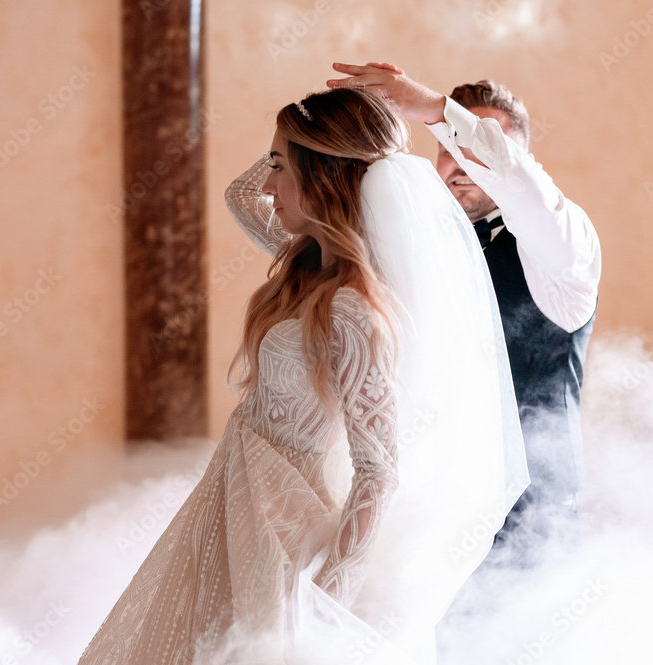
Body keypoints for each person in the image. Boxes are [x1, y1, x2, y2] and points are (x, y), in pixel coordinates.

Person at [76, 87, 527, 665]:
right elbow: (241, 195)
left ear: (323, 177)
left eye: (279, 168)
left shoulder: (354, 309)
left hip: (284, 539)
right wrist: (319, 119)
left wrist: (325, 601)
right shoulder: (305, 264)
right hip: (232, 508)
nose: (266, 185)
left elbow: (379, 472)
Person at [327, 64, 602, 563]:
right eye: (447, 149)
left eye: (474, 149)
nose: (459, 164)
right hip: (437, 516)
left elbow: (524, 190)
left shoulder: (564, 244)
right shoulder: (423, 247)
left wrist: (435, 110)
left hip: (533, 523)